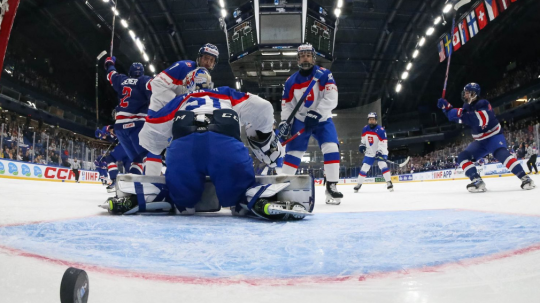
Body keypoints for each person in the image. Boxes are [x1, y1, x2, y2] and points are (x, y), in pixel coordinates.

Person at [108, 68, 307, 220]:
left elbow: (148, 134)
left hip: (184, 149)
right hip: (225, 145)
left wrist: (164, 148)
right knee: (239, 197)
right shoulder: (227, 93)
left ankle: (151, 198)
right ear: (210, 83)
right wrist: (263, 140)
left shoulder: (180, 99)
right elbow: (263, 107)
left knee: (181, 202)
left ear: (188, 84)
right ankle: (254, 200)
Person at [438, 83, 535, 192]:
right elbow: (457, 118)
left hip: (494, 137)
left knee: (502, 154)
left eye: (467, 93)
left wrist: (454, 112)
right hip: (480, 141)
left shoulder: (483, 104)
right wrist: (446, 108)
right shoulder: (467, 106)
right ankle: (477, 181)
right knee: (462, 157)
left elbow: (478, 119)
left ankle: (525, 178)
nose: (464, 95)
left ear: (474, 94)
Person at [278, 44, 343, 205]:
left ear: (313, 58)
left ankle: (331, 186)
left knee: (331, 147)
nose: (305, 58)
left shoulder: (324, 74)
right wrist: (285, 122)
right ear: (298, 59)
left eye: (308, 55)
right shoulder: (290, 81)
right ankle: (283, 187)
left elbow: (332, 97)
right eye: (302, 55)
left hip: (322, 119)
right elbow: (287, 105)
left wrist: (317, 112)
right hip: (300, 120)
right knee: (293, 153)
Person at [104, 57, 162, 175]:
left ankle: (134, 186)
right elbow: (156, 89)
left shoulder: (121, 80)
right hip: (137, 125)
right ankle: (158, 183)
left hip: (119, 127)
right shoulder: (144, 80)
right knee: (149, 155)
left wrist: (109, 63)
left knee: (137, 160)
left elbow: (111, 74)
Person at [353, 112, 393, 193]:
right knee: (364, 167)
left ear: (376, 120)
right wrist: (362, 145)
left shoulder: (381, 130)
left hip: (381, 151)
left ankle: (389, 182)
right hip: (370, 152)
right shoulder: (365, 129)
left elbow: (383, 142)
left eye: (373, 119)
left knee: (382, 164)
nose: (371, 121)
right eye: (370, 119)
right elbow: (363, 140)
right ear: (368, 120)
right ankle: (359, 184)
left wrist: (380, 151)